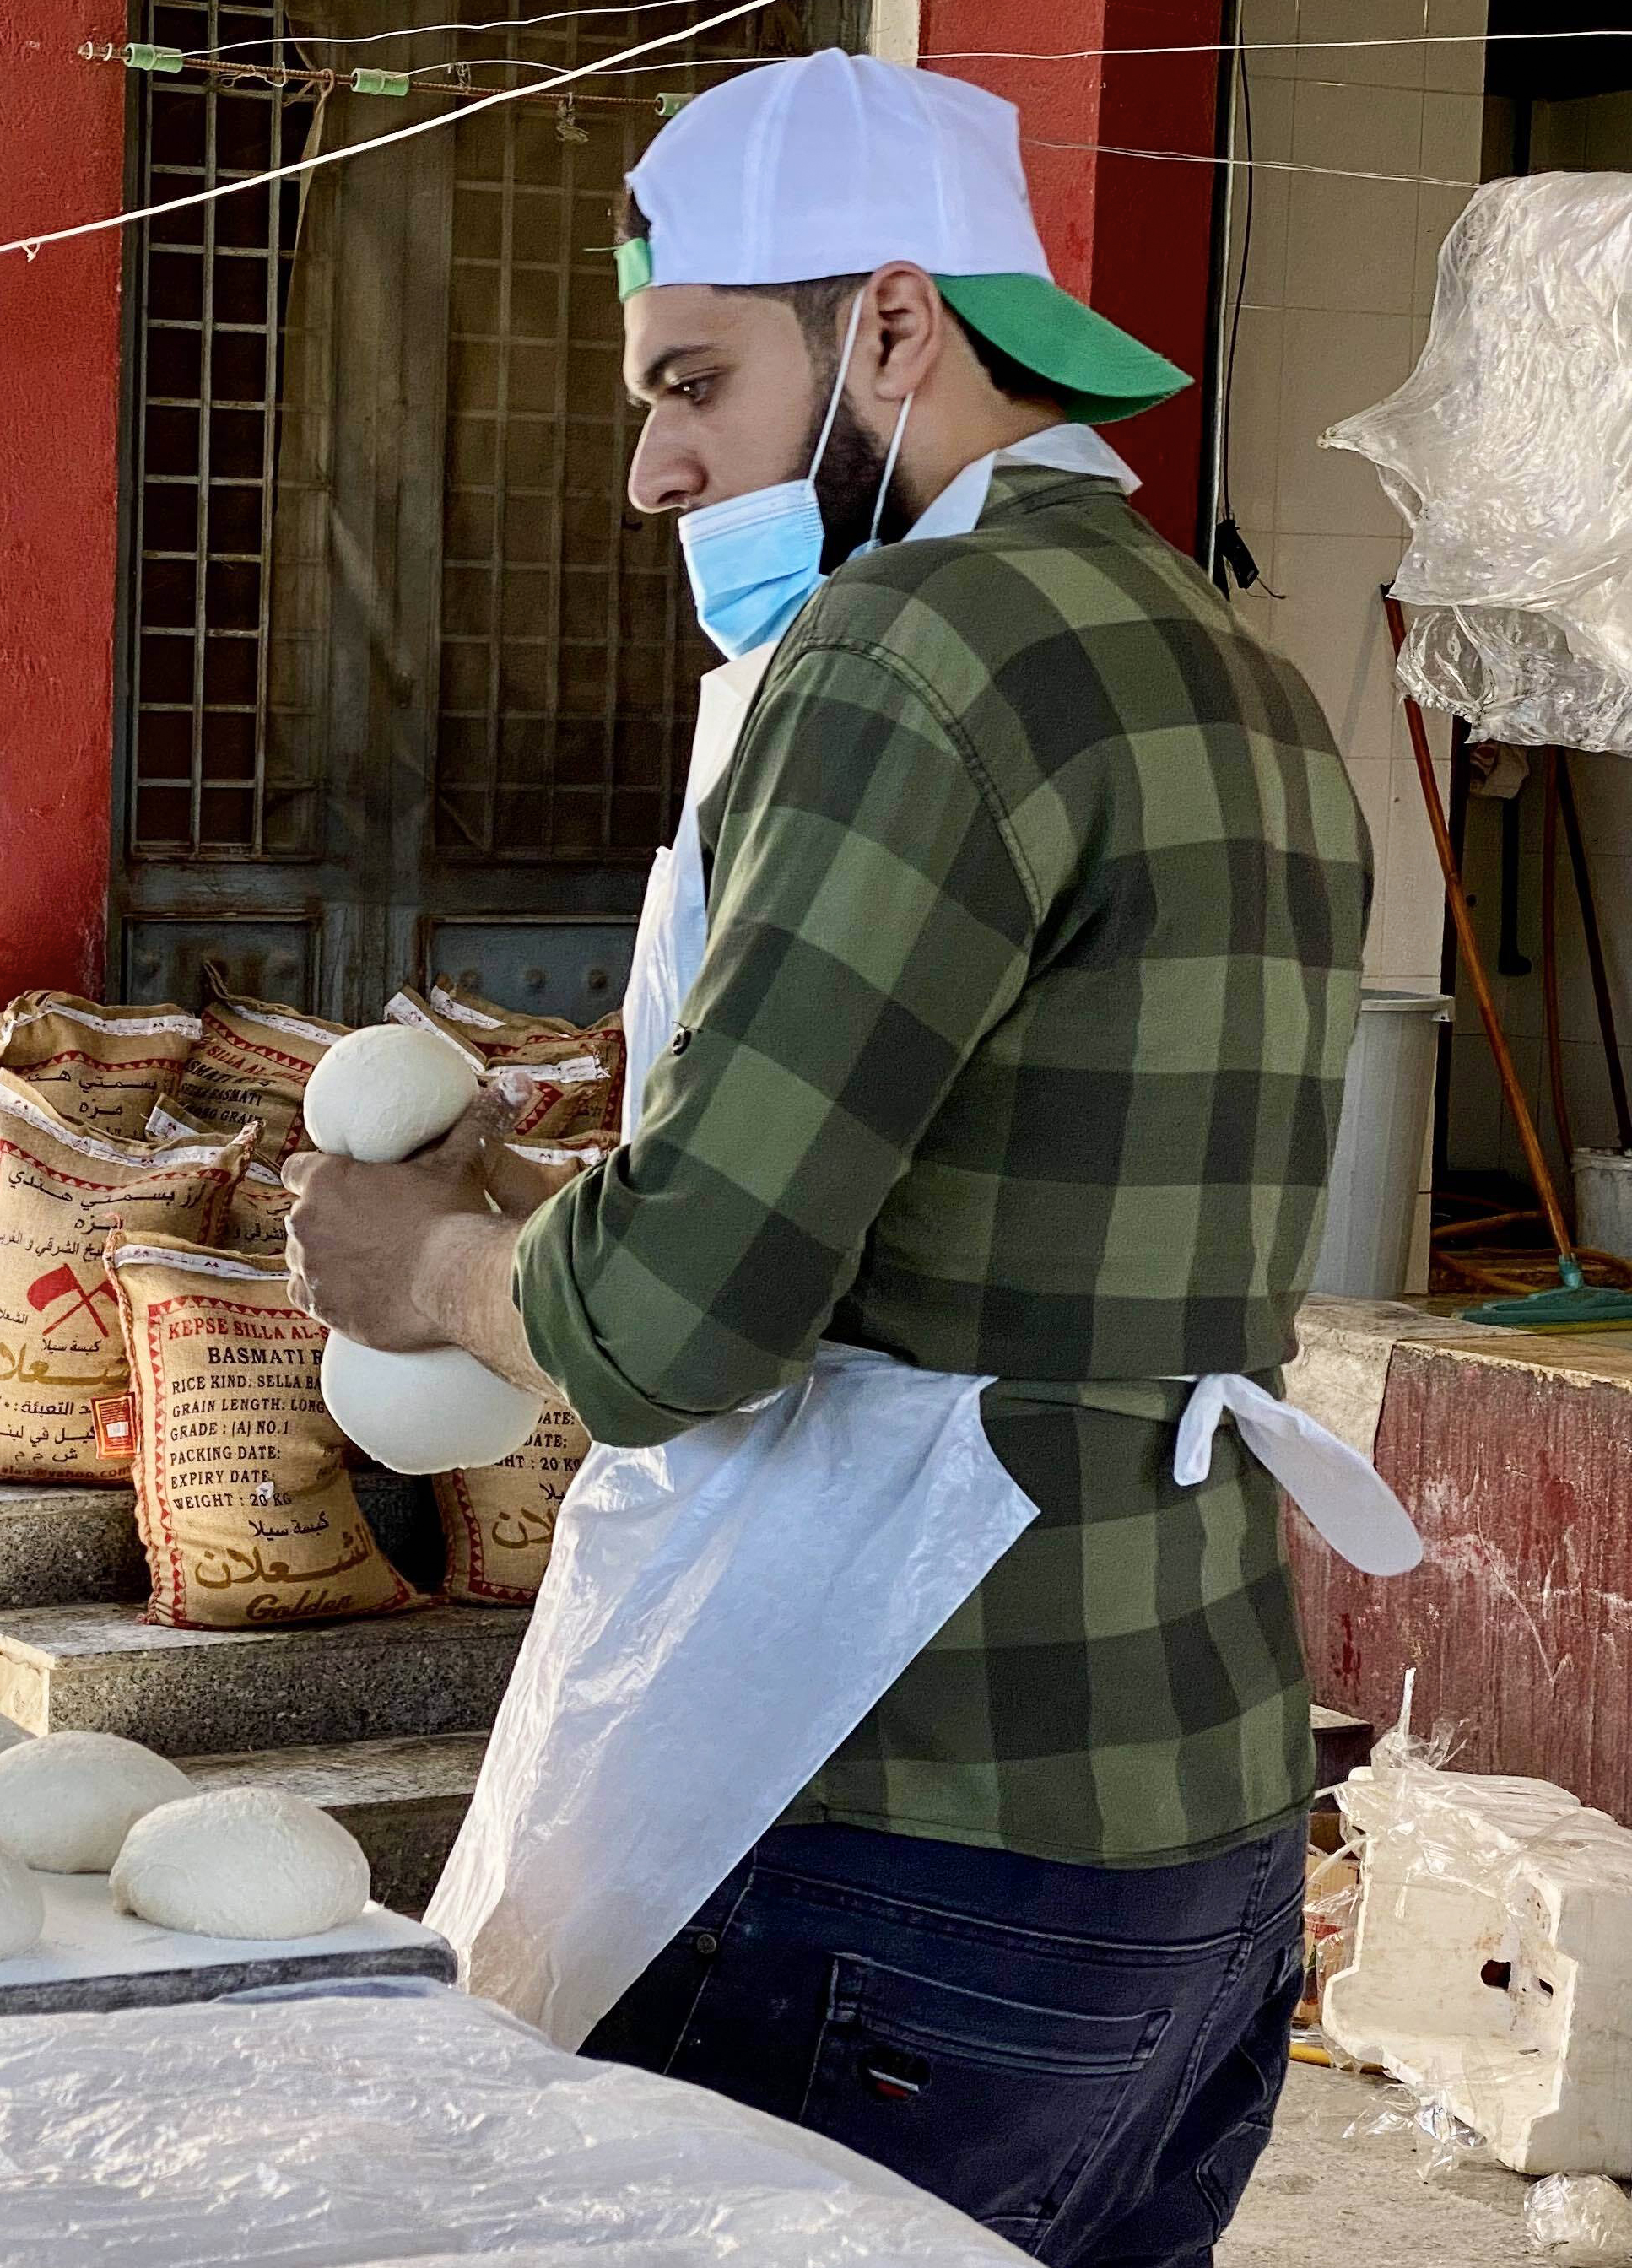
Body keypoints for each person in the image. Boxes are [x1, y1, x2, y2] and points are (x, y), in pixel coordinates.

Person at [284, 51, 1405, 2268]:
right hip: (1191, 1841)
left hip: (907, 1825)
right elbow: (995, 1200)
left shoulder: (912, 649)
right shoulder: (1238, 670)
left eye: (695, 376)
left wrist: (423, 1266)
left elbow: (677, 1322)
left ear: (895, 326)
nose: (649, 468)